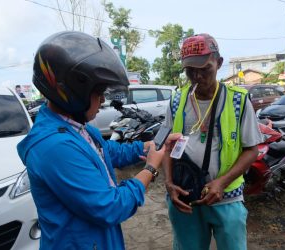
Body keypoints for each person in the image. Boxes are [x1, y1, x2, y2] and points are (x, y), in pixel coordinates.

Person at [17, 31, 180, 250]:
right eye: (98, 92)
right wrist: (150, 168)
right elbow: (110, 207)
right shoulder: (55, 147)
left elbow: (107, 151)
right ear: (72, 92)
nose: (103, 99)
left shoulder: (76, 128)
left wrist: (145, 146)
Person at [163, 33, 261, 250]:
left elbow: (251, 150)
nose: (197, 76)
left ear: (219, 63)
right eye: (190, 71)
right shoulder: (177, 100)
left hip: (227, 199)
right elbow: (167, 148)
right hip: (184, 198)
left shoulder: (239, 100)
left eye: (205, 69)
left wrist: (221, 183)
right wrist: (169, 184)